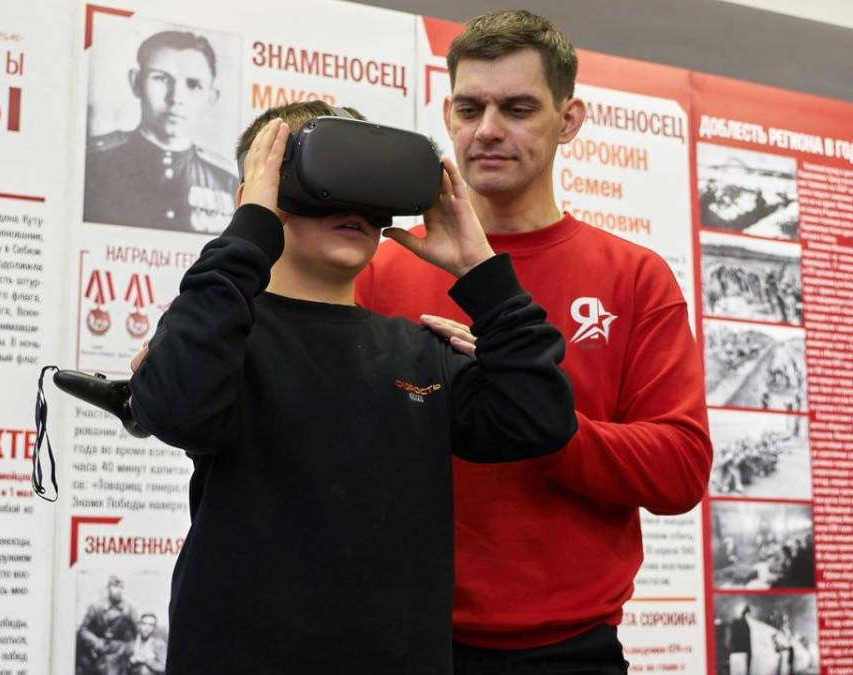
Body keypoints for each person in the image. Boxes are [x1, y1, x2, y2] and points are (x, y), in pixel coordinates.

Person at [127, 100, 577, 674]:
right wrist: (249, 231)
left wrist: (481, 272)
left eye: (368, 187)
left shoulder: (420, 352)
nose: (351, 206)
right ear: (262, 192)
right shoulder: (220, 337)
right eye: (323, 180)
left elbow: (541, 419)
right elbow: (178, 409)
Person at [354, 10, 712, 673]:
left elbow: (680, 470)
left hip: (569, 650)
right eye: (470, 108)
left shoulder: (633, 276)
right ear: (448, 114)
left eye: (517, 108)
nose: (488, 129)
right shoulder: (380, 270)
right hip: (404, 637)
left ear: (568, 120)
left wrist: (536, 415)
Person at [83, 30, 238, 233]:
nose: (175, 98)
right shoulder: (94, 164)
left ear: (211, 97)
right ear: (136, 82)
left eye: (193, 85)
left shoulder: (228, 184)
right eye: (161, 78)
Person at [76, 575, 138, 675]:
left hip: (118, 652)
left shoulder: (129, 609)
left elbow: (138, 633)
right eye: (115, 586)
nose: (118, 590)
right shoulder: (96, 607)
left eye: (121, 587)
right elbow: (83, 630)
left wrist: (127, 648)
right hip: (97, 650)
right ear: (108, 588)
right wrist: (96, 642)